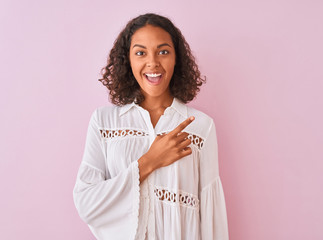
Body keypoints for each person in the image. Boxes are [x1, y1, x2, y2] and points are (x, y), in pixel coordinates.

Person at [73, 13, 229, 240]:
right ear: (128, 60)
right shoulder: (104, 122)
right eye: (140, 53)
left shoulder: (201, 127)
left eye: (163, 51)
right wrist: (149, 162)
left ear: (177, 58)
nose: (153, 62)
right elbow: (87, 202)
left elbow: (211, 216)